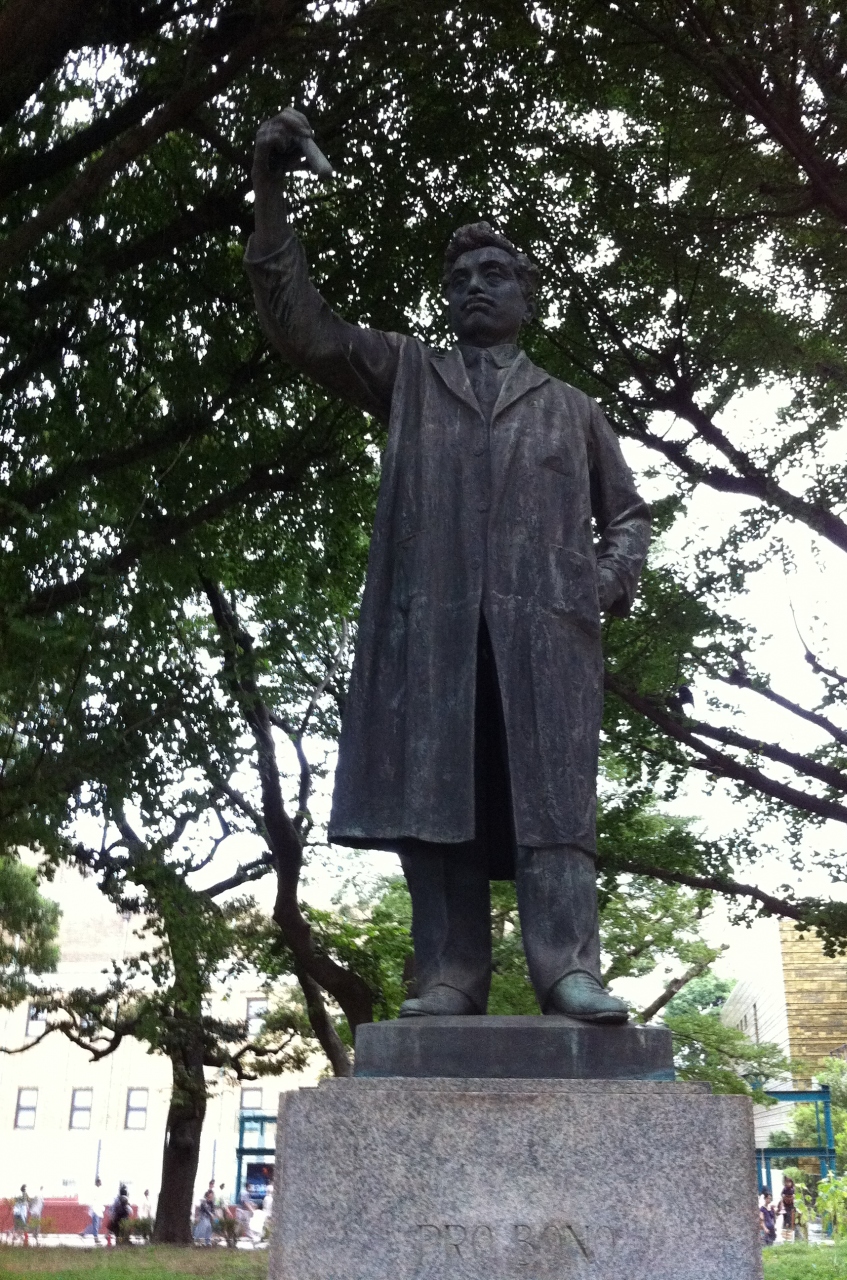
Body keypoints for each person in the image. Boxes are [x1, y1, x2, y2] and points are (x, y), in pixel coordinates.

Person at [246, 111, 651, 1024]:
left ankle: (568, 970)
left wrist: (603, 583)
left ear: (528, 294)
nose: (474, 287)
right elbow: (303, 329)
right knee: (439, 797)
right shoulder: (410, 376)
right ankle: (449, 974)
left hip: (546, 637)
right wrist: (270, 193)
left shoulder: (572, 408)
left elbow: (627, 514)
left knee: (554, 804)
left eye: (494, 274)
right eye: (460, 279)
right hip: (433, 633)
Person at [80, 1177, 103, 1244]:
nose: (101, 1183)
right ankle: (96, 1238)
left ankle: (84, 1233)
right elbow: (92, 1200)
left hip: (99, 1210)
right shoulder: (94, 1190)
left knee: (98, 1225)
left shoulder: (99, 1190)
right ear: (97, 1182)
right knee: (95, 1225)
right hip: (95, 1210)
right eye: (100, 1182)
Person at [778, 1176, 797, 1243]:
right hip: (785, 1205)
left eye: (789, 1182)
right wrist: (783, 1196)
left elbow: (794, 1195)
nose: (788, 1184)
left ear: (791, 1183)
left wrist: (793, 1196)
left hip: (791, 1206)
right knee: (786, 1217)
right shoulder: (785, 1189)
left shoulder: (793, 1189)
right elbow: (781, 1194)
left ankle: (789, 1236)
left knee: (790, 1218)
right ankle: (785, 1236)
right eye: (787, 1182)